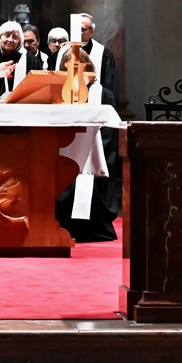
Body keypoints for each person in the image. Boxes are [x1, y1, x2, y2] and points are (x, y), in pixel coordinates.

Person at [55, 51, 119, 243]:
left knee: (85, 178)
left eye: (79, 67)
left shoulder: (102, 95)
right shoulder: (57, 94)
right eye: (69, 69)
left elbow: (108, 132)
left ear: (88, 68)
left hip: (93, 154)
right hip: (62, 153)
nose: (74, 73)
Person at [55, 13, 120, 107]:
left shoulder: (103, 53)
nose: (79, 32)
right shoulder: (63, 51)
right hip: (66, 99)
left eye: (83, 29)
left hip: (94, 102)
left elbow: (109, 85)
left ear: (91, 32)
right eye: (76, 29)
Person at [0, 20, 42, 103]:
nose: (10, 40)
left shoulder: (29, 59)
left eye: (15, 37)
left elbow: (37, 87)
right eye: (7, 36)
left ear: (20, 41)